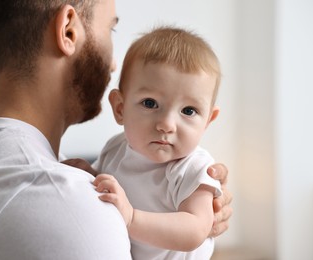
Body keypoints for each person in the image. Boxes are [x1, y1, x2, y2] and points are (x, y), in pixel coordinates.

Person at [0, 1, 231, 260]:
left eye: (189, 111)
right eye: (110, 29)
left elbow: (193, 227)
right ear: (68, 30)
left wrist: (198, 219)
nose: (114, 63)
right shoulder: (72, 209)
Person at [64, 26, 225, 259]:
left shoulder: (194, 168)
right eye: (150, 103)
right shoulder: (115, 148)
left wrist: (131, 218)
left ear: (208, 120)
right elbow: (106, 189)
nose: (167, 124)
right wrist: (88, 173)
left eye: (188, 110)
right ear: (120, 108)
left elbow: (195, 229)